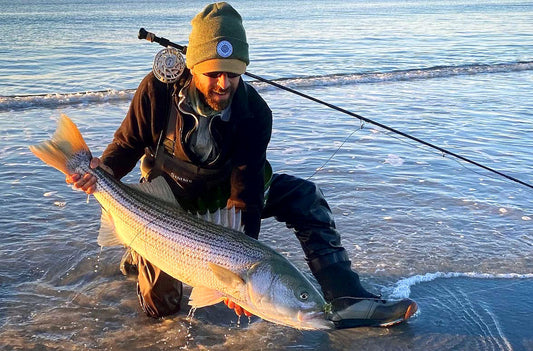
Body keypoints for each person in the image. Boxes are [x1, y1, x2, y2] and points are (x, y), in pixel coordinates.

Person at [68, 2, 417, 328]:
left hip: (225, 199)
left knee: (304, 197)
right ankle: (137, 249)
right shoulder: (157, 91)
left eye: (234, 74)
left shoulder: (255, 112)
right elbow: (128, 144)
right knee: (162, 311)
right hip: (167, 203)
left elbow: (246, 192)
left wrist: (242, 281)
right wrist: (103, 172)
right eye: (215, 73)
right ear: (194, 68)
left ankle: (347, 296)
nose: (224, 84)